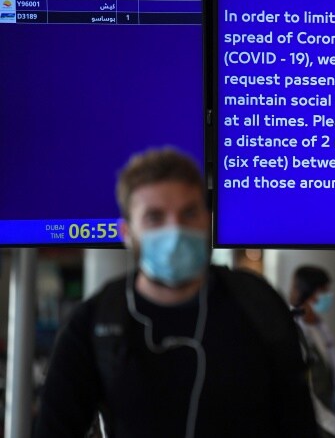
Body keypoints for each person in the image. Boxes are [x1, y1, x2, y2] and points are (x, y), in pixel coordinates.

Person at [34, 147, 317, 438]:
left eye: (189, 213)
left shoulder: (259, 307)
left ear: (207, 219)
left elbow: (299, 424)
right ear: (128, 233)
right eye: (155, 217)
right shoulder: (95, 324)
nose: (175, 231)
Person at [289, 266, 335, 438]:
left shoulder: (319, 327)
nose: (328, 297)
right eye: (324, 291)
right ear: (310, 292)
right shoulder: (293, 331)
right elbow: (307, 394)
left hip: (330, 421)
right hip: (315, 425)